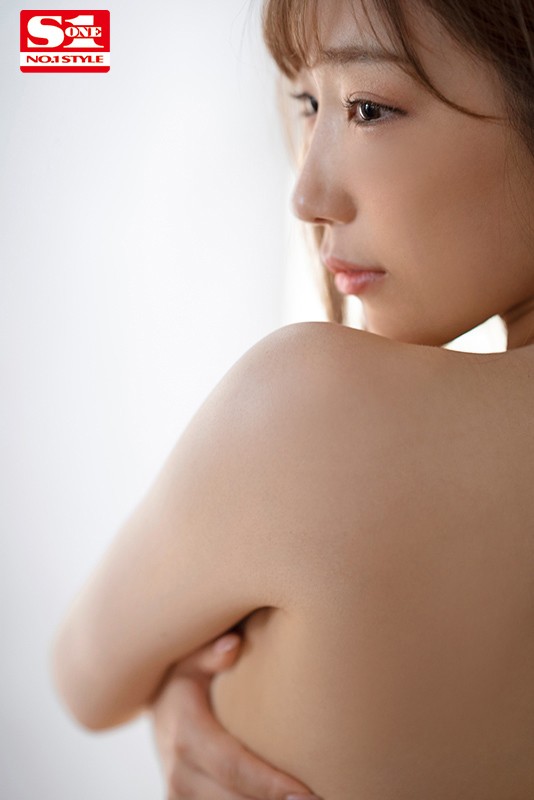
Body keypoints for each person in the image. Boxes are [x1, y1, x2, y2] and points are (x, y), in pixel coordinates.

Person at [51, 0, 534, 797]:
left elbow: (81, 676)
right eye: (308, 104)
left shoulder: (317, 414)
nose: (306, 193)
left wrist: (184, 688)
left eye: (368, 109)